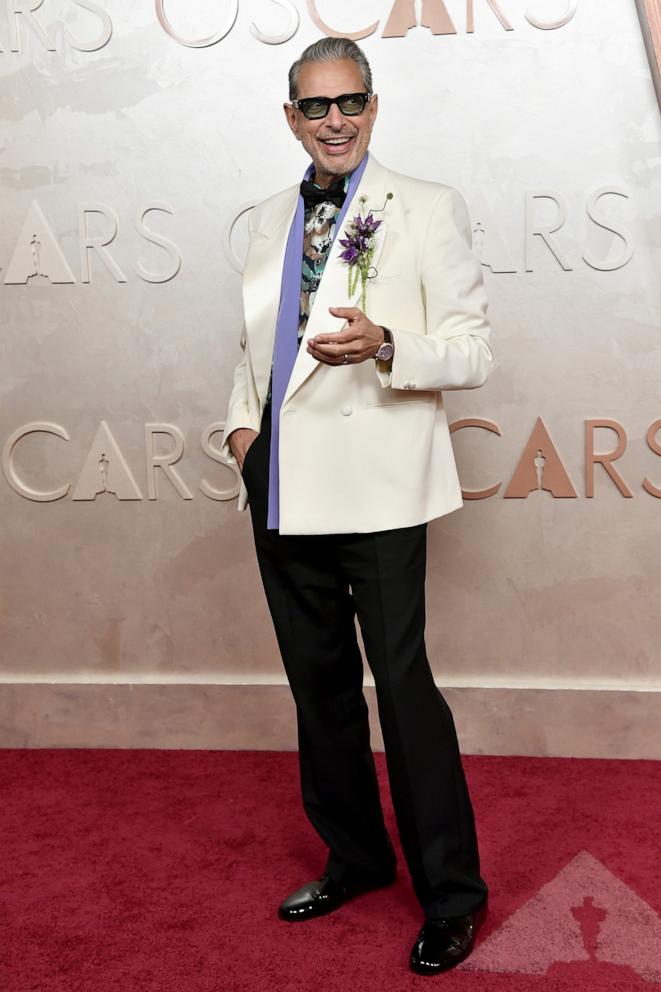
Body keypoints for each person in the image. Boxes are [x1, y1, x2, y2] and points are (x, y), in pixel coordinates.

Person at [221, 36, 493, 976]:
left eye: (350, 102)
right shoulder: (262, 219)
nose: (333, 119)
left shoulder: (425, 207)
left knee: (404, 690)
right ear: (289, 117)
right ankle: (356, 856)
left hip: (378, 488)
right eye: (314, 106)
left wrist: (387, 345)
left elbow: (471, 350)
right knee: (319, 691)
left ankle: (453, 894)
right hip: (282, 486)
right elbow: (256, 350)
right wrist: (239, 434)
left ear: (373, 108)